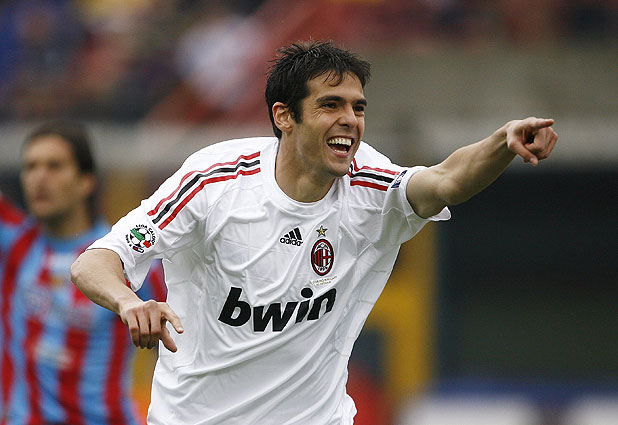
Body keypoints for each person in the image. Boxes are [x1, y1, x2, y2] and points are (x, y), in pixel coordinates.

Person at [71, 40, 558, 424]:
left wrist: (502, 141)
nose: (350, 120)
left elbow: (446, 180)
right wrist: (129, 302)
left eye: (358, 108)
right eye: (330, 105)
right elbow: (96, 260)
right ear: (284, 116)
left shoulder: (370, 183)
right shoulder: (214, 181)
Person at [0, 120, 167, 425]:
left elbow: (180, 348)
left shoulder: (129, 259)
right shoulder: (13, 242)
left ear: (86, 181)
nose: (39, 177)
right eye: (31, 166)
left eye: (54, 166)